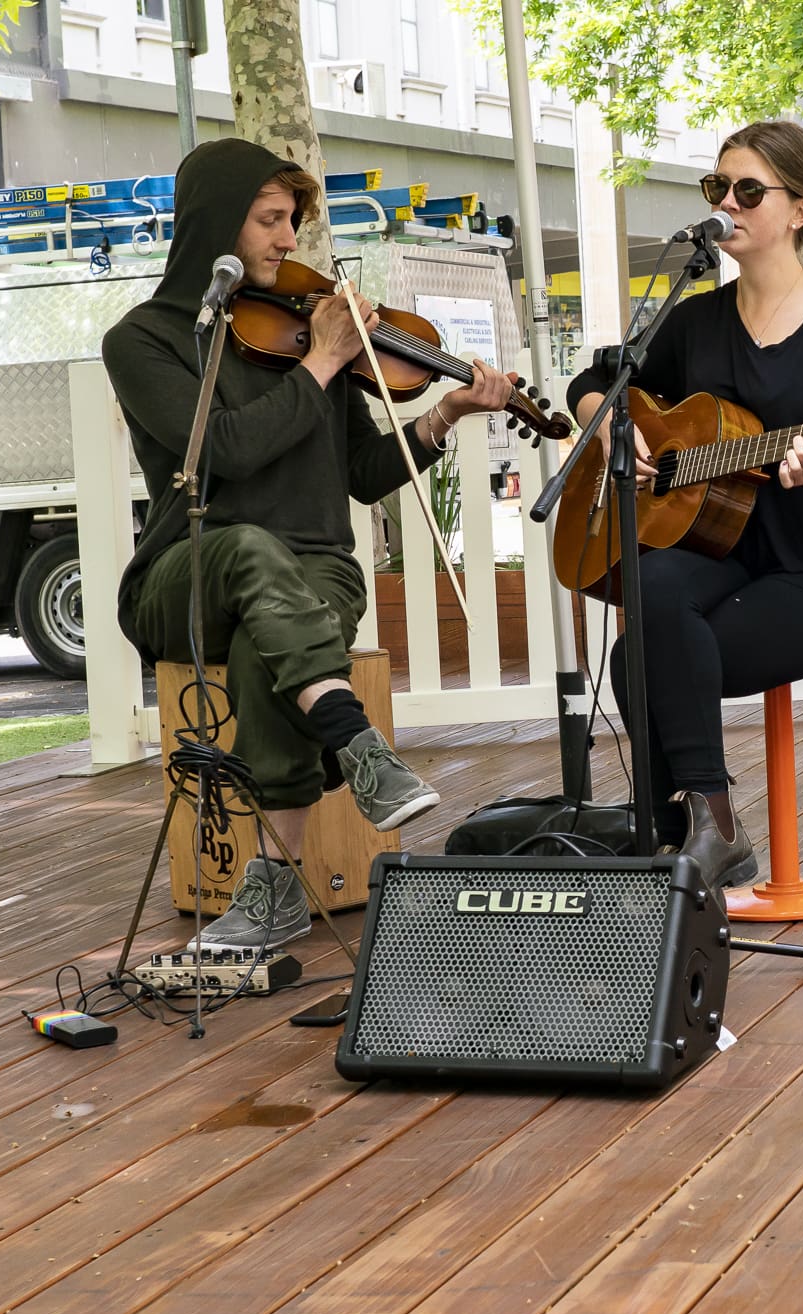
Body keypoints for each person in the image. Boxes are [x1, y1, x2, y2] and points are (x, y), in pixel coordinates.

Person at [102, 137, 518, 950]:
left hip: (317, 569)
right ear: (214, 225)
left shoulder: (305, 332)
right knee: (251, 548)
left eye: (292, 221)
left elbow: (362, 472)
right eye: (269, 220)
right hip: (184, 573)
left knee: (275, 647)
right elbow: (218, 451)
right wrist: (324, 361)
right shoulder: (144, 339)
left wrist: (444, 415)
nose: (289, 240)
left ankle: (274, 888)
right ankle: (356, 743)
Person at [566, 120, 803, 887]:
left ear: (800, 209)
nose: (728, 204)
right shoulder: (698, 316)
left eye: (748, 190)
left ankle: (688, 835)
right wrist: (609, 434)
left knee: (635, 654)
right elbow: (592, 383)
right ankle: (709, 825)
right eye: (717, 189)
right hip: (726, 555)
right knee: (655, 591)